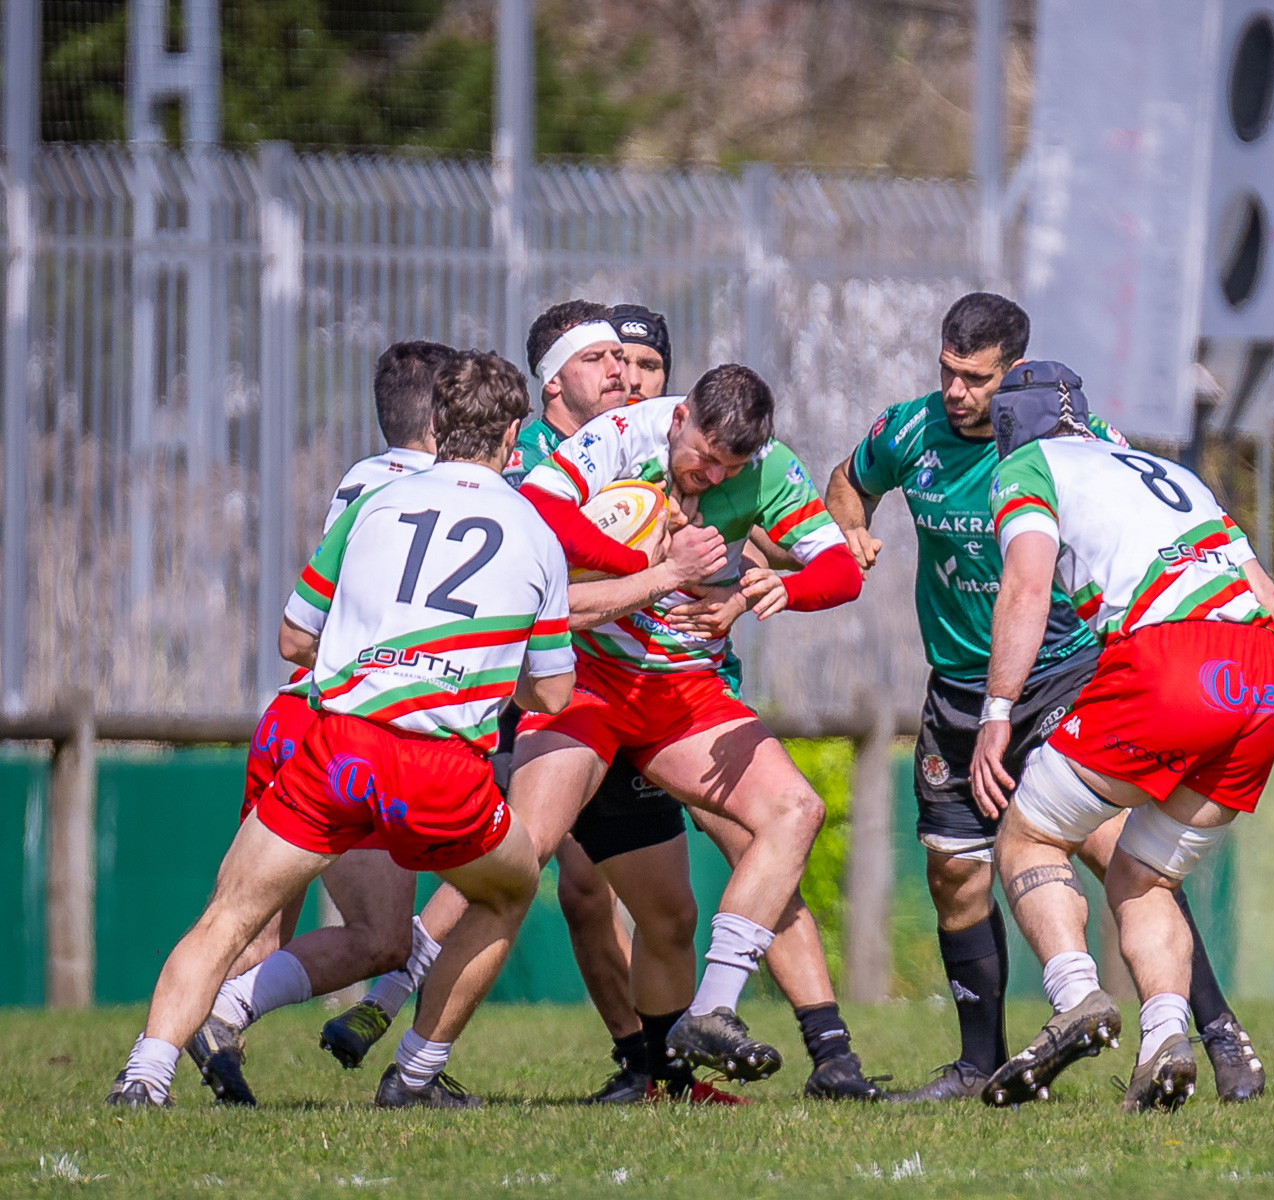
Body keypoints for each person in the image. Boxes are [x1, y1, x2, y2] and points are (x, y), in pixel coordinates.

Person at [328, 307, 880, 1102]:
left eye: (730, 469)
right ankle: (409, 1051)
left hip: (682, 691)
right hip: (583, 684)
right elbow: (542, 516)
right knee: (515, 865)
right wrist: (647, 562)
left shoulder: (765, 467)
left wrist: (779, 590)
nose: (712, 478)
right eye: (702, 458)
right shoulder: (618, 437)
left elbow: (841, 570)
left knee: (788, 818)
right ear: (679, 417)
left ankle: (713, 1018)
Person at [824, 294, 1265, 1103]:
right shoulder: (906, 431)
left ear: (1014, 374)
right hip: (959, 683)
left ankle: (1214, 1031)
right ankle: (978, 1063)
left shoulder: (1062, 445)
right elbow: (845, 484)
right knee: (953, 872)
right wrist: (848, 531)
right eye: (948, 373)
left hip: (1060, 673)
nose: (958, 393)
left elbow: (1036, 582)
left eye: (978, 380)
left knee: (1110, 852)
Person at [108, 351, 575, 1109]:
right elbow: (553, 692)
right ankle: (417, 1075)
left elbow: (296, 637)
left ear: (437, 422)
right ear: (515, 434)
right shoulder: (534, 531)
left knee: (227, 915)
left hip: (338, 746)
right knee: (509, 888)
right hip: (440, 769)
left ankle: (144, 1076)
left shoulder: (372, 502)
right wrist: (481, 668)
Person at [966, 362, 1274, 1113]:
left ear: (1012, 427)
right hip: (1260, 680)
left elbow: (1027, 584)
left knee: (1027, 837)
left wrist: (996, 711)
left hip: (1167, 664)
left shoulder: (1026, 467)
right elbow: (1267, 596)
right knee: (1142, 875)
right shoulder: (1160, 466)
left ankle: (1077, 993)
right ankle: (1165, 1040)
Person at [185, 340, 461, 1107]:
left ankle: (155, 1060)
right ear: (447, 415)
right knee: (382, 937)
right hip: (349, 728)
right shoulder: (442, 494)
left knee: (253, 926)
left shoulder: (364, 479)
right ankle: (409, 1062)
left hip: (288, 710)